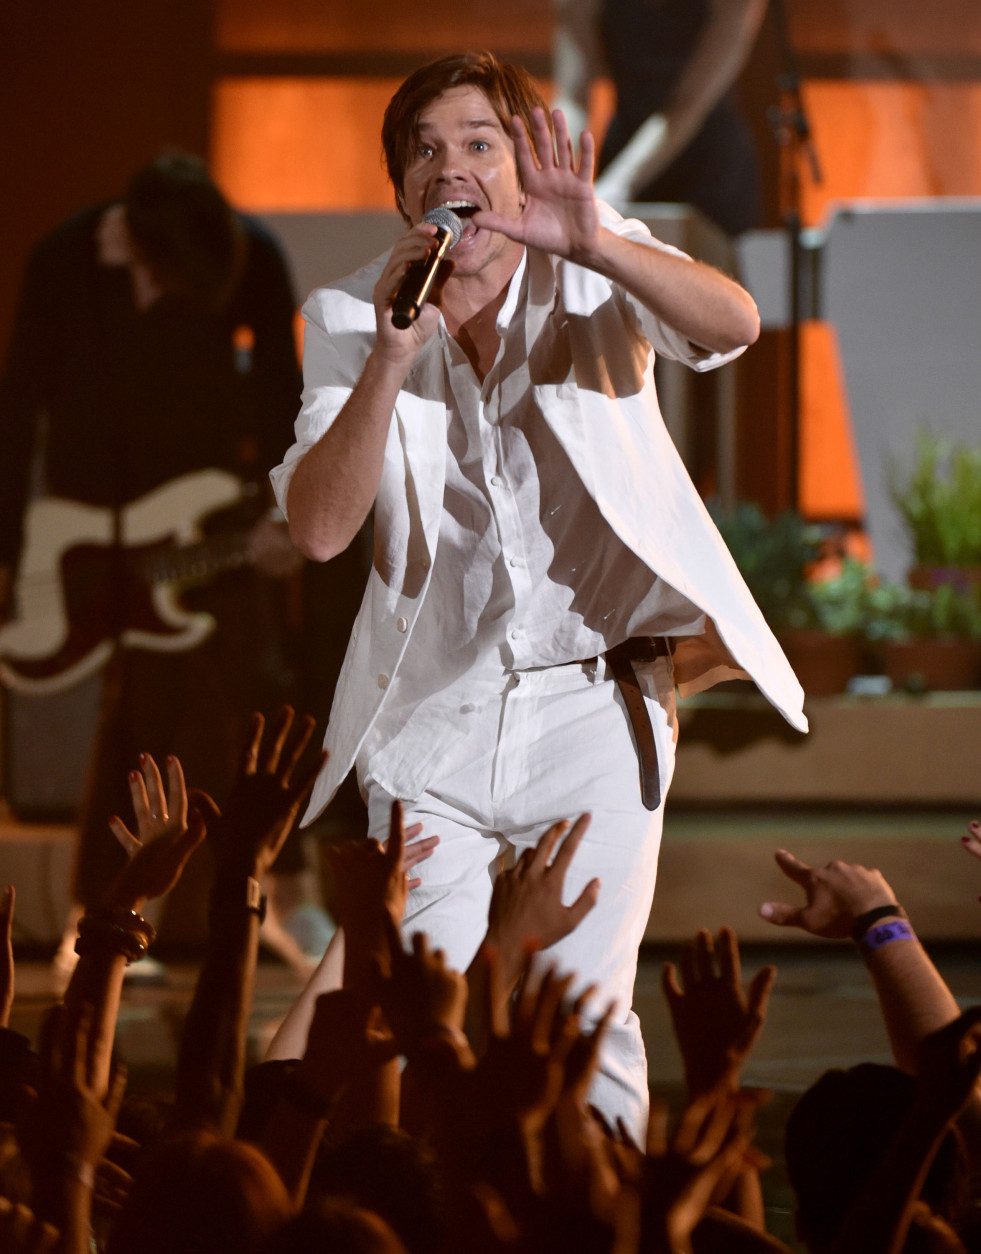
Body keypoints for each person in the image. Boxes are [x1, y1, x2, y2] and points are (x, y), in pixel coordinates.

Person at [271, 51, 806, 1138]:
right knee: (395, 999)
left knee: (580, 1016)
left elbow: (734, 324)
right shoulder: (353, 318)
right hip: (435, 718)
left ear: (520, 173)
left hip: (595, 708)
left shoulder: (591, 259)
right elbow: (320, 529)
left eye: (477, 142)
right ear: (401, 192)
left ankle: (599, 1214)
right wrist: (386, 360)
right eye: (424, 150)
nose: (448, 166)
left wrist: (599, 240)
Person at [0, 153, 317, 977]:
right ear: (142, 248)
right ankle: (103, 917)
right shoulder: (64, 260)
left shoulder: (249, 254)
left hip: (215, 517)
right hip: (94, 523)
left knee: (258, 692)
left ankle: (273, 899)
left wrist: (287, 509)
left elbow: (288, 392)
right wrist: (9, 548)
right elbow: (21, 399)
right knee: (137, 706)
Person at [555, 0, 769, 238]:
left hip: (706, 168)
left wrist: (615, 187)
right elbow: (572, 99)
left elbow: (688, 104)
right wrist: (556, 177)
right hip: (626, 145)